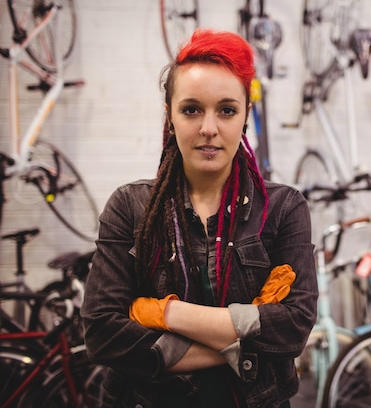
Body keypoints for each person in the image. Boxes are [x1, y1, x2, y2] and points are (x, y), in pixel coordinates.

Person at [82, 28, 318, 408]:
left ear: (245, 117)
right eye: (191, 109)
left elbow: (294, 327)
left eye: (227, 110)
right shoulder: (129, 207)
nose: (209, 128)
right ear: (170, 117)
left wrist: (163, 312)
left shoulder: (282, 209)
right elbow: (102, 333)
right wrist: (242, 347)